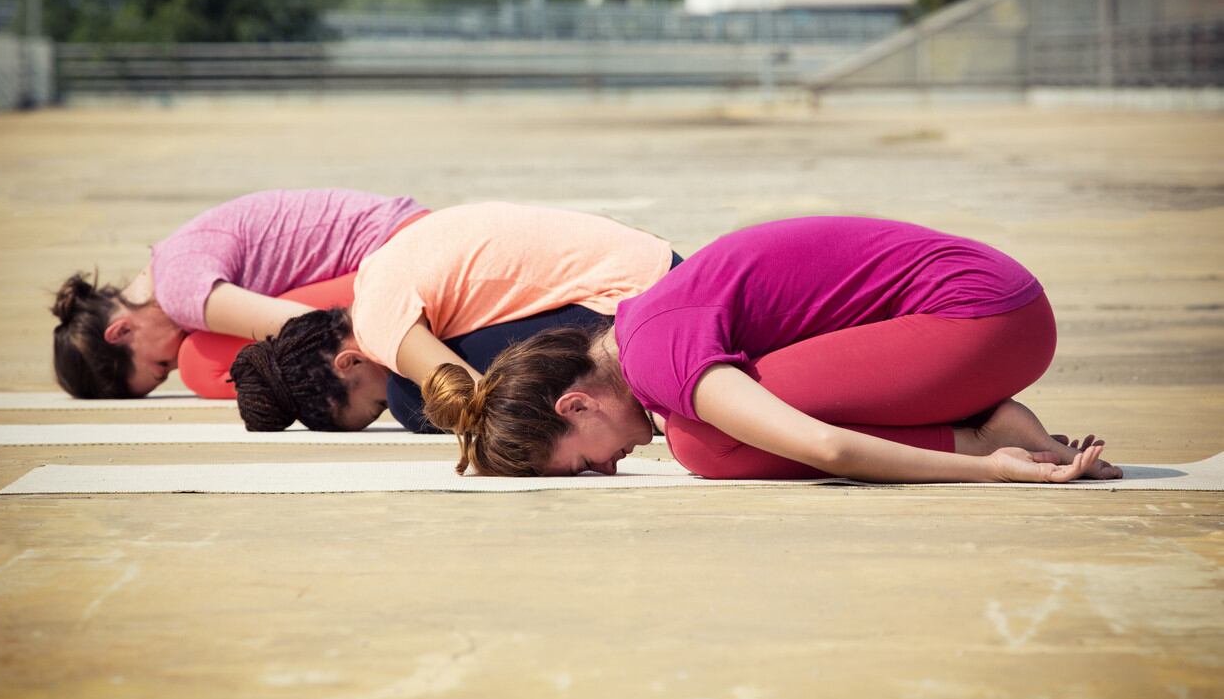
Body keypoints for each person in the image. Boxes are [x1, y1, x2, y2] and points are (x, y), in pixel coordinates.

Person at [421, 216, 1123, 483]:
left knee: (707, 444)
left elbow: (831, 449)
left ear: (576, 402)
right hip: (994, 311)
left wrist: (993, 473)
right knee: (704, 435)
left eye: (580, 462)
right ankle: (983, 423)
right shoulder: (641, 328)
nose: (605, 471)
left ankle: (983, 437)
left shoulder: (658, 354)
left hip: (983, 318)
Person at [230, 202, 681, 433]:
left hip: (638, 299)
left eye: (373, 407)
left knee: (413, 396)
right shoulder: (376, 274)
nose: (382, 407)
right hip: (652, 276)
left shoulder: (376, 320)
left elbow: (479, 400)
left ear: (347, 362)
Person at [51, 189, 427, 399]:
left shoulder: (179, 289)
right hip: (404, 241)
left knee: (201, 361)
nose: (172, 367)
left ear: (120, 331)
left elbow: (307, 328)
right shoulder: (171, 262)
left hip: (399, 253)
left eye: (160, 367)